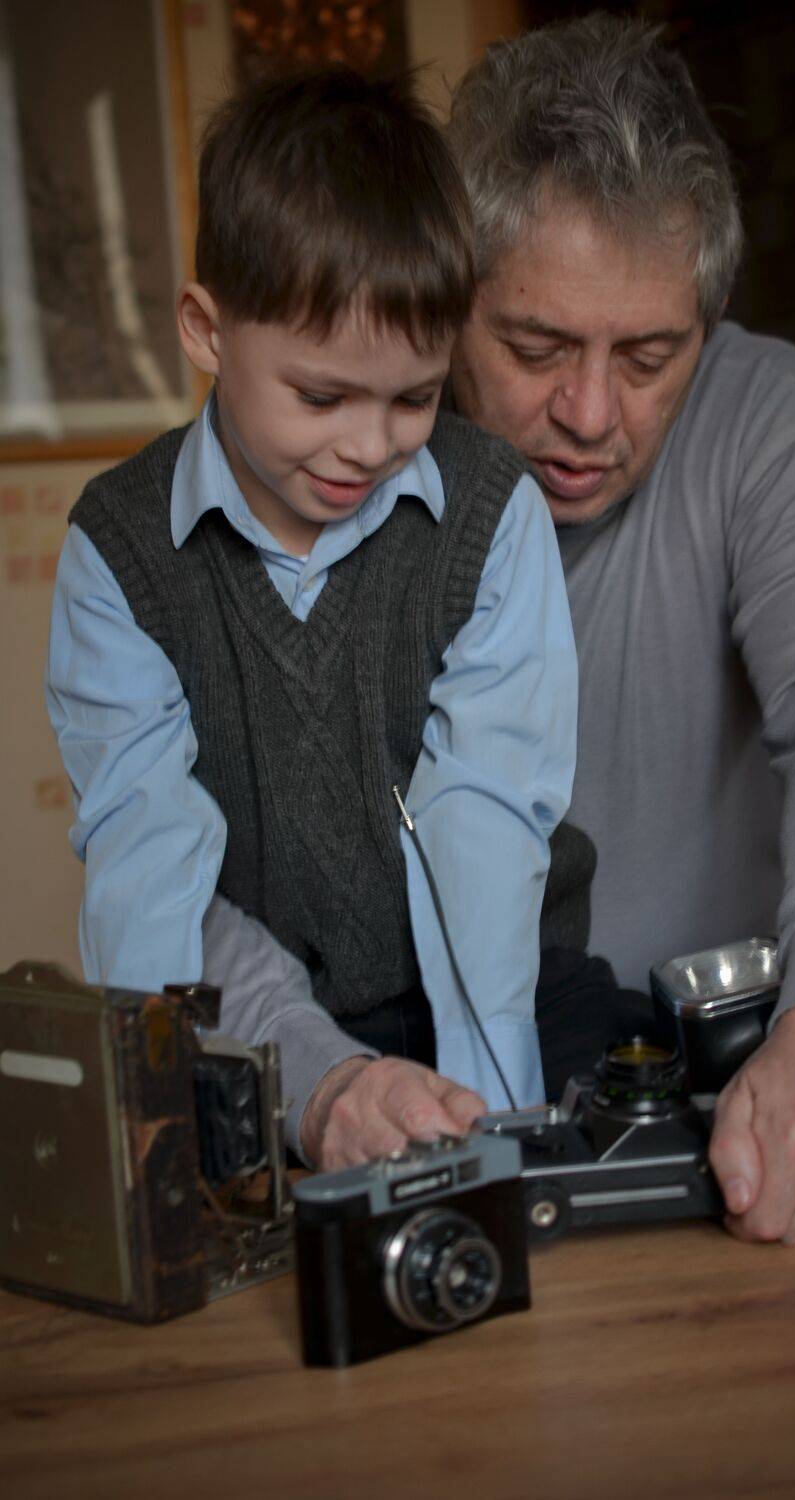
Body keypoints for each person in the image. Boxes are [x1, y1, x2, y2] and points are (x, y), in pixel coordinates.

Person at [46, 67, 609, 1171]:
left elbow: (488, 822)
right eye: (321, 396)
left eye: (413, 398)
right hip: (268, 1034)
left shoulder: (492, 513)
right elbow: (151, 884)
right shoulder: (117, 554)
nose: (367, 444)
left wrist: (487, 1131)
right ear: (207, 330)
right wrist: (288, 1095)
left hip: (511, 1005)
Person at [443, 14, 795, 1246]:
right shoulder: (359, 459)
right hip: (446, 1128)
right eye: (536, 347)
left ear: (703, 331)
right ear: (448, 305)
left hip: (741, 1122)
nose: (589, 413)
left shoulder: (777, 427)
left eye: (648, 356)